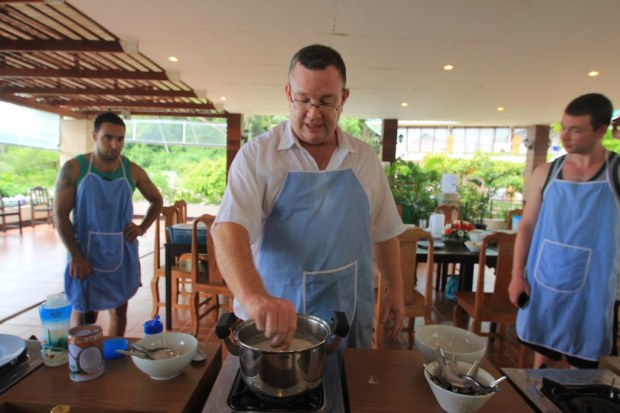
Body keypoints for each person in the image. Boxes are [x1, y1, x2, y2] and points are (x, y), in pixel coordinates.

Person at [212, 44, 406, 349]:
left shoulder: (364, 159)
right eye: (304, 100)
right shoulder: (258, 156)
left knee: (350, 393)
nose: (313, 114)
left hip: (349, 318)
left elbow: (385, 232)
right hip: (277, 327)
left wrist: (396, 288)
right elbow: (228, 229)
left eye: (326, 102)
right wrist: (255, 298)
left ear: (344, 97)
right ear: (289, 93)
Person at [509, 93, 620, 368]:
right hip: (544, 279)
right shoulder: (546, 172)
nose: (565, 137)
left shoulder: (615, 172)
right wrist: (516, 275)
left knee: (583, 367)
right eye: (563, 127)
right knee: (542, 358)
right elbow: (527, 225)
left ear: (601, 130)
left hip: (596, 287)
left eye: (576, 130)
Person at [54, 112, 163, 336]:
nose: (115, 145)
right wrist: (76, 255)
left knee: (119, 309)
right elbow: (60, 215)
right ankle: (82, 359)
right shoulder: (74, 169)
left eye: (120, 139)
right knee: (84, 310)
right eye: (108, 138)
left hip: (120, 250)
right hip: (85, 251)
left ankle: (114, 356)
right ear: (95, 135)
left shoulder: (132, 170)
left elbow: (157, 200)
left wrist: (142, 227)